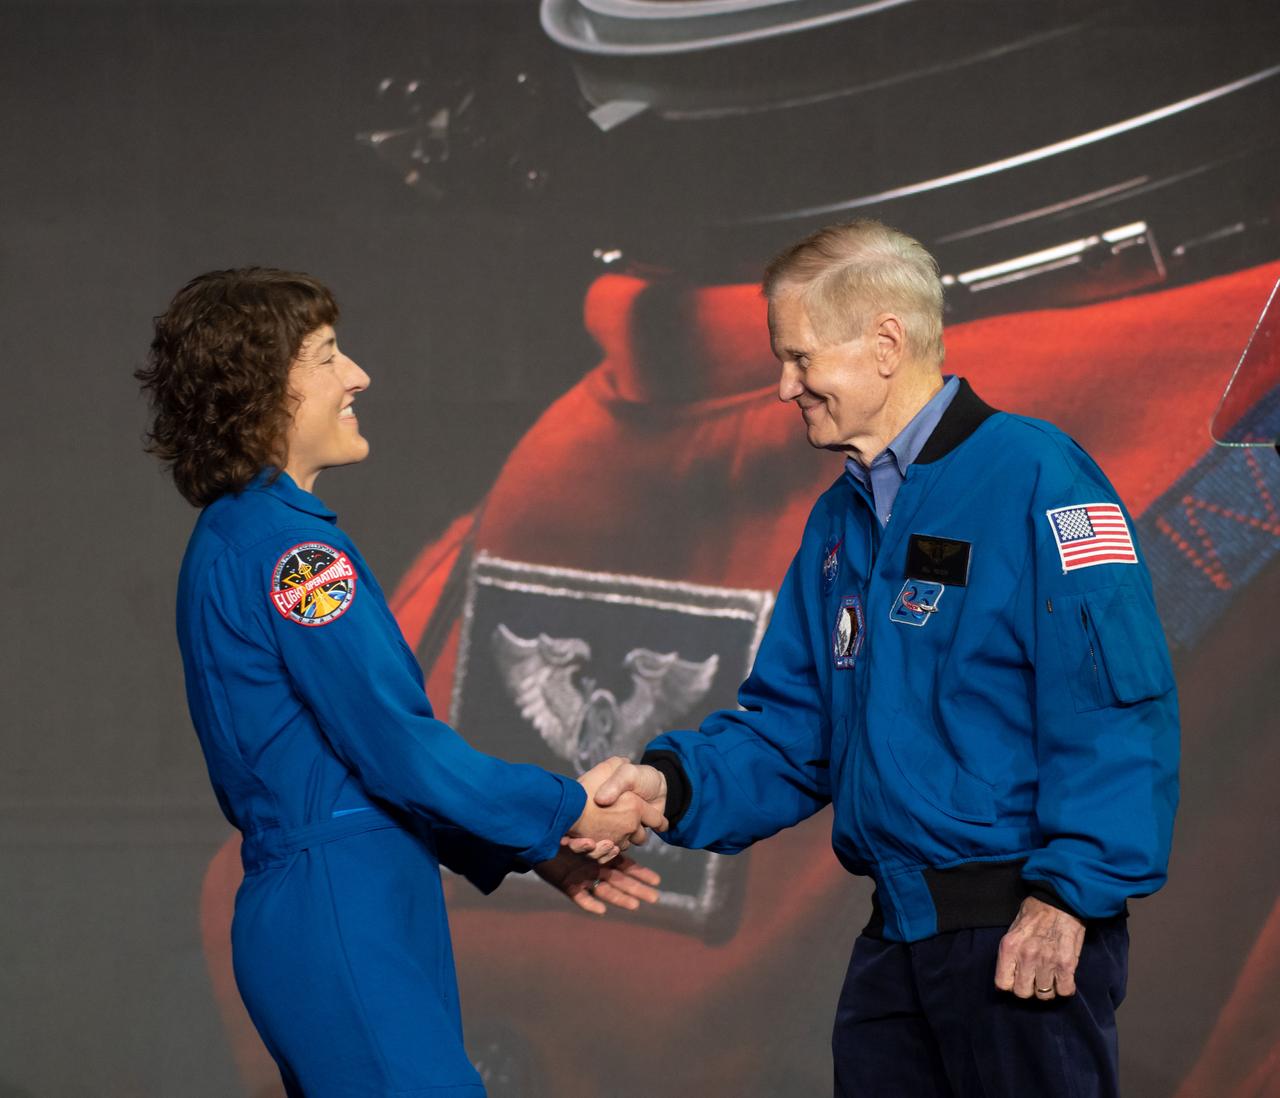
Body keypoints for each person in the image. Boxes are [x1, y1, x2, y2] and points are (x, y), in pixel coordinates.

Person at [590, 219, 1181, 1097]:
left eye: (798, 357)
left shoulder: (1039, 477)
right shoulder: (840, 520)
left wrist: (1067, 899)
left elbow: (1114, 705)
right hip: (896, 943)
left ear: (885, 343)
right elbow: (794, 730)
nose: (783, 384)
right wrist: (669, 787)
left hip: (1021, 934)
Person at [136, 267, 665, 1098]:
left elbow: (346, 764)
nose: (358, 376)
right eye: (327, 357)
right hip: (346, 906)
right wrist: (565, 811)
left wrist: (531, 851)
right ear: (263, 390)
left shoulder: (237, 535)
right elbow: (395, 750)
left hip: (332, 900)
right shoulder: (296, 556)